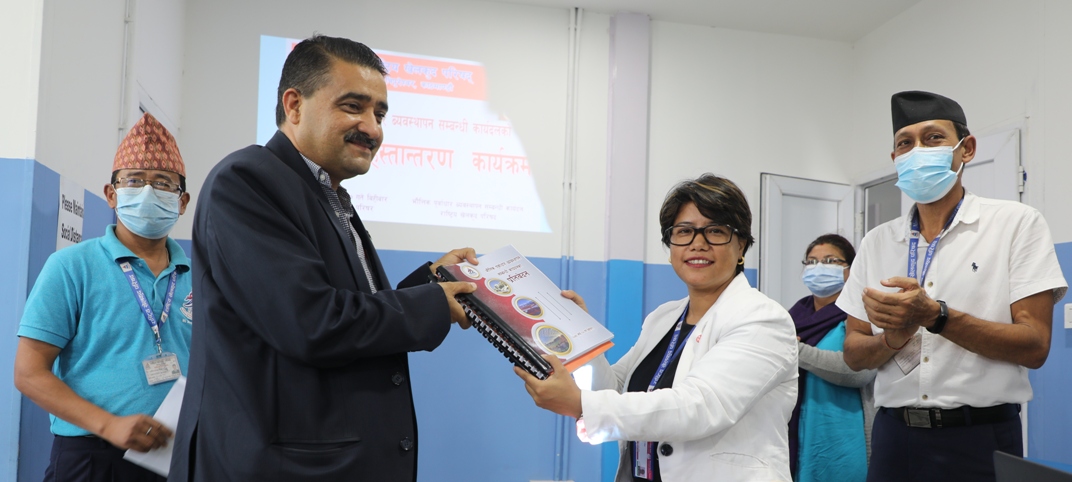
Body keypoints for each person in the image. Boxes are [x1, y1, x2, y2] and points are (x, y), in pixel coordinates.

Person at [168, 35, 478, 481]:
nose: (372, 128)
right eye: (353, 107)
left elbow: (349, 306)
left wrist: (431, 283)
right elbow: (311, 322)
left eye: (380, 114)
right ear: (294, 105)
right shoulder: (247, 181)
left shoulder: (329, 196)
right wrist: (433, 305)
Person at [840, 91, 1067, 482]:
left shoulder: (1015, 224)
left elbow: (1034, 346)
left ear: (967, 149)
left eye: (933, 138)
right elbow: (853, 354)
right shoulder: (877, 242)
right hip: (894, 438)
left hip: (979, 437)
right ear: (895, 159)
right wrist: (892, 339)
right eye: (905, 143)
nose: (917, 150)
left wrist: (936, 316)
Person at [516, 174, 798, 481]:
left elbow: (701, 406)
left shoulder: (762, 319)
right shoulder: (664, 317)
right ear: (670, 245)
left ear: (741, 245)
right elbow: (615, 390)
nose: (698, 244)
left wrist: (580, 404)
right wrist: (583, 339)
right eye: (684, 231)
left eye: (715, 231)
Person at [13, 112, 192, 482]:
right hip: (92, 457)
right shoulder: (71, 267)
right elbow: (29, 372)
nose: (148, 192)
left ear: (182, 201)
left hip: (177, 456)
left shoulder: (200, 278)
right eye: (134, 180)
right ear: (111, 194)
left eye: (163, 183)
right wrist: (108, 424)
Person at [788, 234, 875, 482]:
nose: (818, 268)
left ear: (850, 269)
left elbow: (860, 372)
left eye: (830, 261)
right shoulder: (794, 316)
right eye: (811, 262)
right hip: (800, 433)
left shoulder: (861, 314)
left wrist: (795, 350)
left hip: (844, 436)